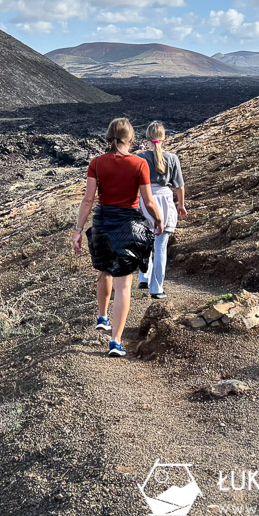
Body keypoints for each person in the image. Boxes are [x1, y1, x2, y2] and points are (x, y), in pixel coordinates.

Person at [72, 118, 164, 357]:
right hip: (128, 224)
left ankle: (102, 317)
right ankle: (115, 342)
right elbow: (148, 200)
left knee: (104, 270)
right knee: (124, 284)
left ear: (108, 138)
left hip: (103, 222)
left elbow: (88, 199)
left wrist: (78, 230)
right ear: (131, 139)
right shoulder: (139, 163)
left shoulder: (97, 163)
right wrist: (158, 219)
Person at [135, 121, 187, 300]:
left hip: (146, 199)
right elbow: (179, 186)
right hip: (166, 201)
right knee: (161, 246)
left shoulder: (139, 158)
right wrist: (181, 205)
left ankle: (143, 276)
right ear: (164, 138)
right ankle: (157, 288)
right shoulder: (172, 158)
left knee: (145, 242)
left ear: (147, 138)